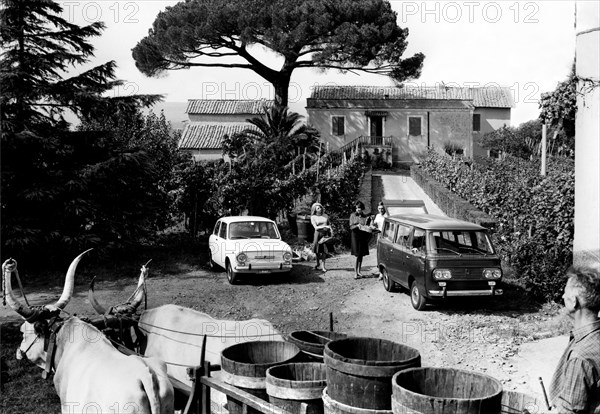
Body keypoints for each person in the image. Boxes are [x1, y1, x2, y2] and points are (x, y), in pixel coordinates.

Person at [549, 266, 600, 413]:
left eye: (565, 292)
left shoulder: (580, 358)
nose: (563, 297)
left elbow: (570, 410)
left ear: (574, 302)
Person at [349, 200, 371, 279]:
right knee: (357, 255)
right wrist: (357, 226)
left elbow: (367, 226)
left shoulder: (365, 217)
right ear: (355, 208)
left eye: (360, 208)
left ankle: (359, 271)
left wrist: (368, 226)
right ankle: (355, 273)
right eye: (357, 208)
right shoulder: (352, 215)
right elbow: (351, 226)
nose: (359, 210)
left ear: (362, 209)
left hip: (363, 236)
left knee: (361, 254)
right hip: (355, 236)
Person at [311, 202, 332, 273]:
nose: (320, 209)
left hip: (325, 234)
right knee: (317, 250)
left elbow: (329, 224)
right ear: (315, 210)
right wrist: (324, 226)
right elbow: (316, 227)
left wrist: (331, 230)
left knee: (324, 250)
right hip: (318, 234)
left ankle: (323, 266)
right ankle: (317, 263)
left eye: (320, 207)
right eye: (318, 208)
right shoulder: (313, 217)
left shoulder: (325, 215)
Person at [373, 201, 389, 280]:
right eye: (379, 208)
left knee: (385, 254)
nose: (381, 210)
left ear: (384, 208)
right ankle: (380, 273)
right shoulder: (377, 216)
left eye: (382, 208)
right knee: (379, 253)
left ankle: (386, 272)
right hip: (379, 236)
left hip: (386, 236)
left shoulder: (387, 216)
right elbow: (374, 224)